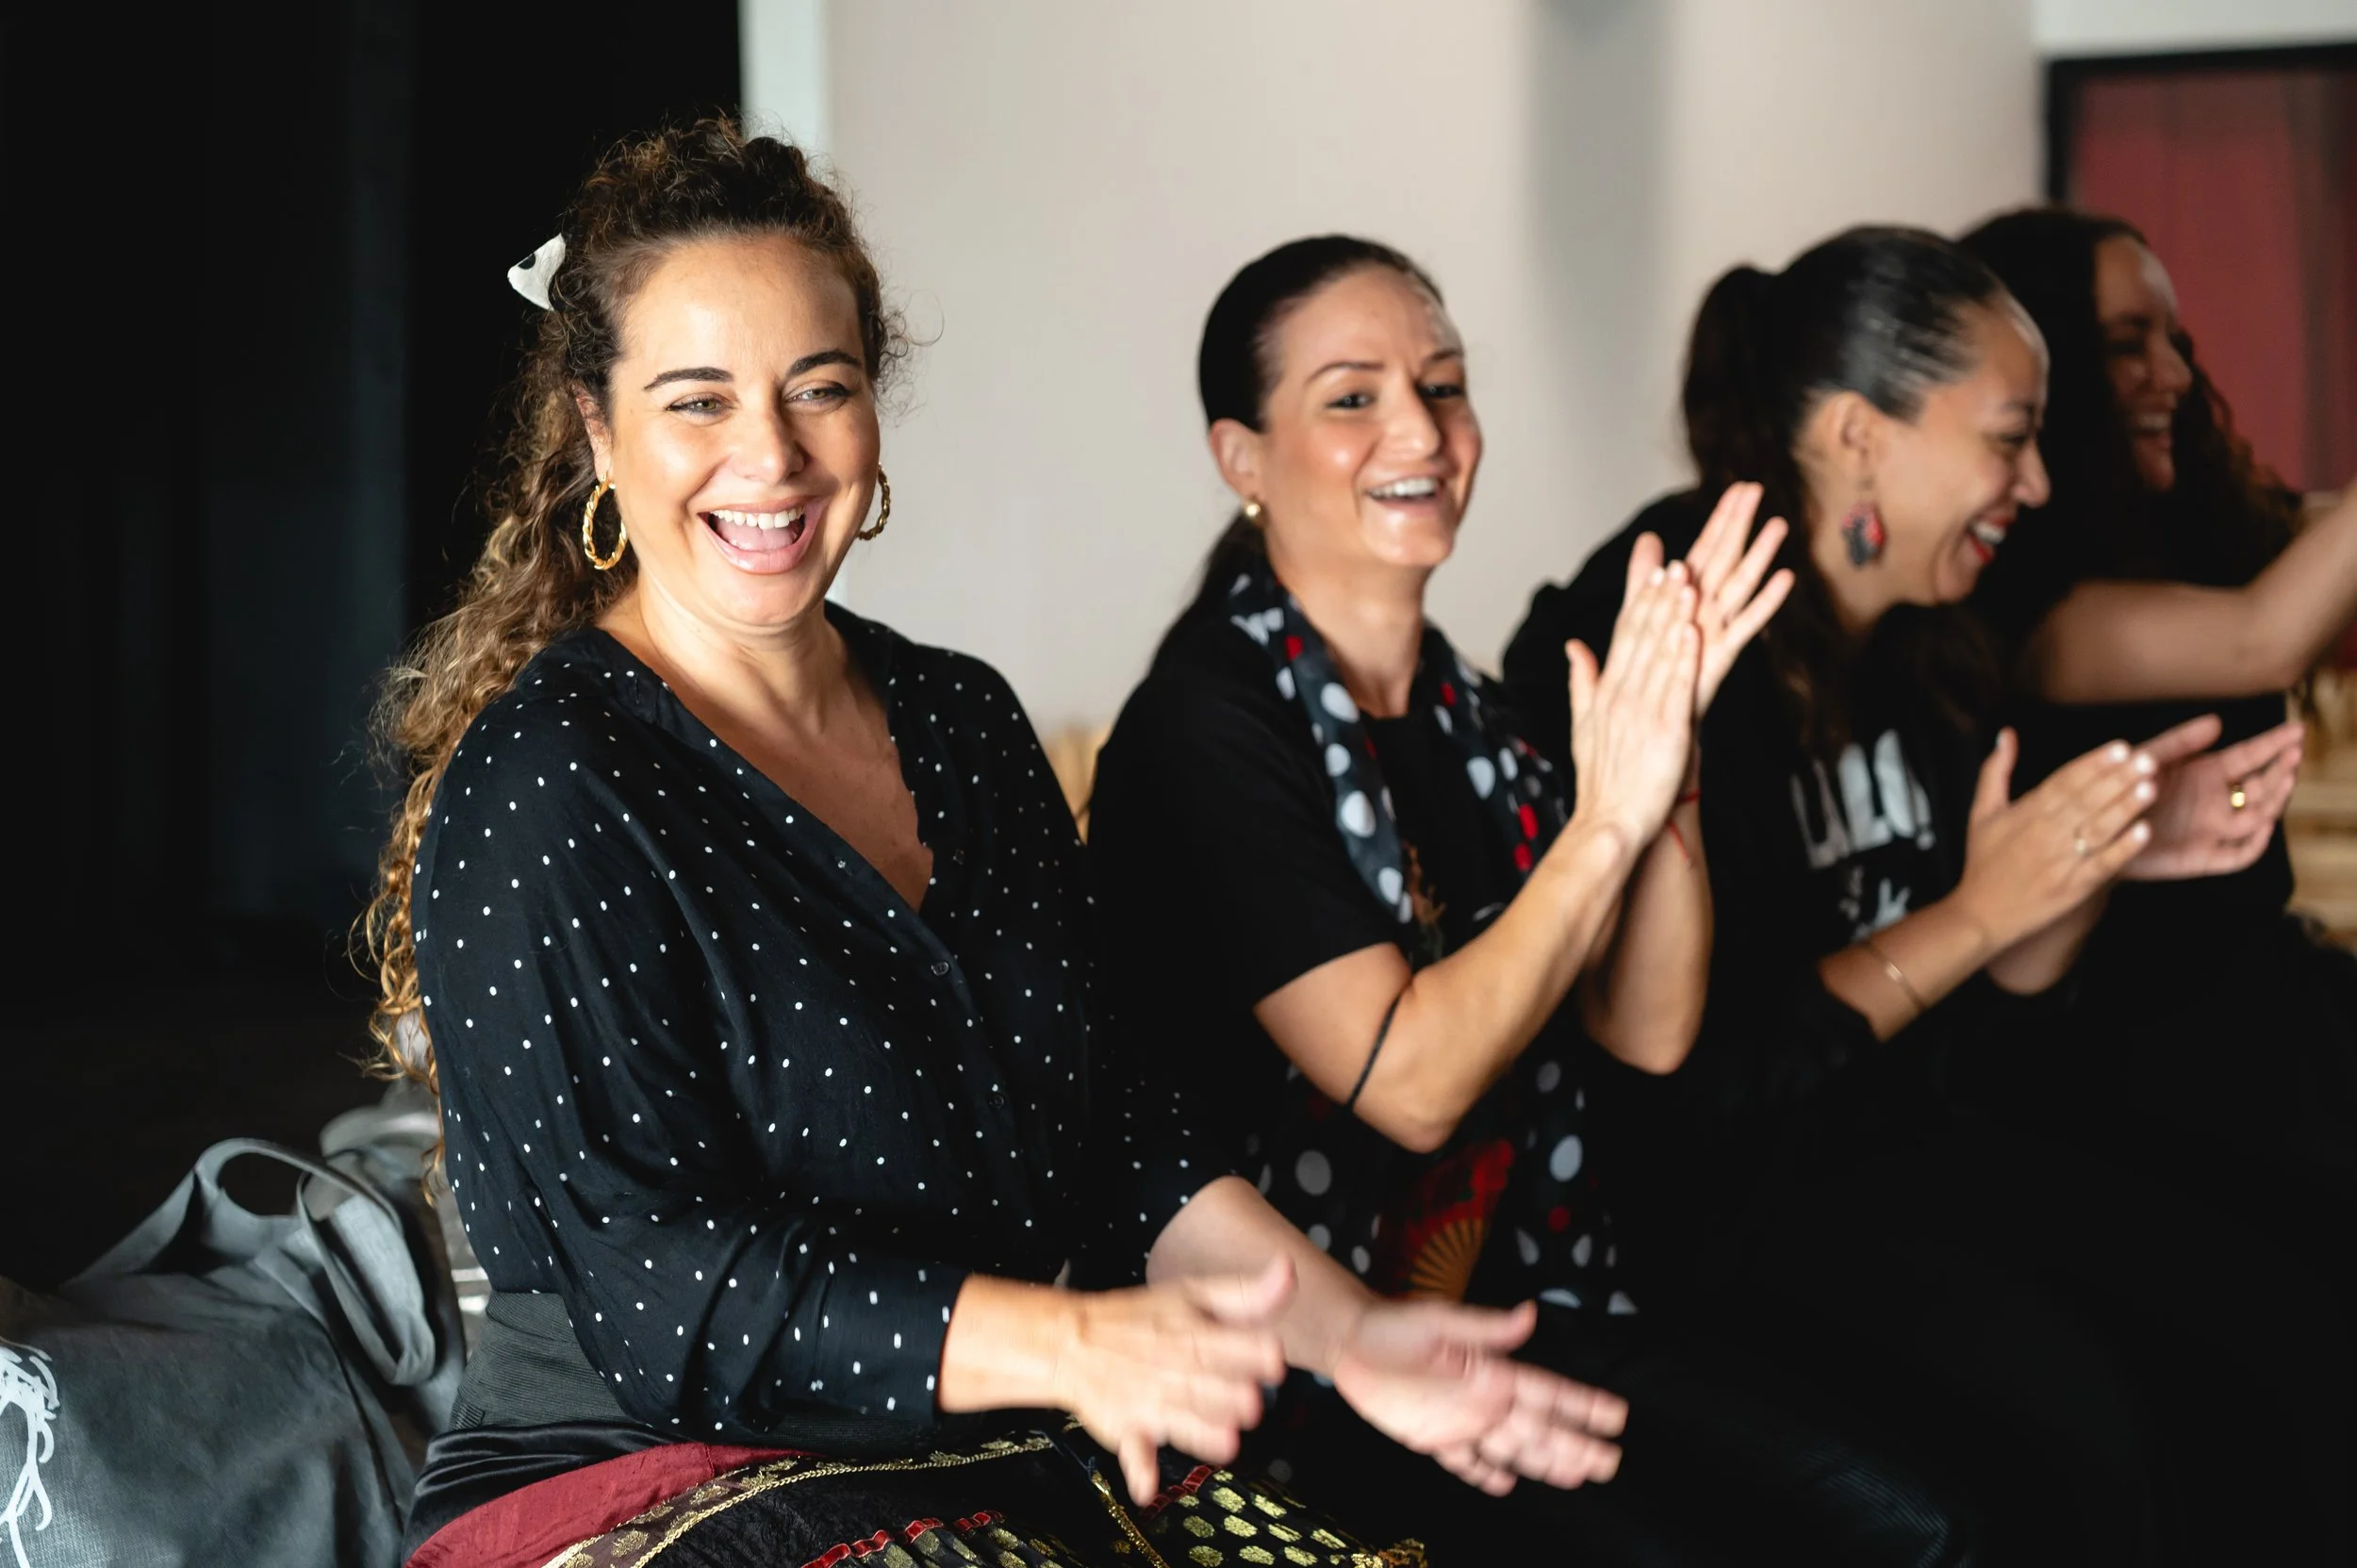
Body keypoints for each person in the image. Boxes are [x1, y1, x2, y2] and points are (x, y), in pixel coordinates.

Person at [361, 121, 1627, 1568]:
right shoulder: (550, 780)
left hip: (979, 1446)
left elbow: (1125, 1141)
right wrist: (1076, 1340)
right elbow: (667, 1294)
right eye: (696, 401)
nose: (769, 455)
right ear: (598, 427)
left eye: (818, 389)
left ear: (875, 412)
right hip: (648, 1482)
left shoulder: (958, 717)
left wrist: (1358, 1336)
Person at [1087, 235, 1974, 1566]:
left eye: (1444, 386)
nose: (1422, 430)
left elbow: (1645, 1027)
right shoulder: (1203, 729)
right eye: (1352, 395)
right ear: (1242, 457)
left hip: (1520, 1293)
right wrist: (1602, 820)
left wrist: (1659, 789)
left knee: (1920, 1519)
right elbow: (1412, 1078)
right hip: (1295, 1361)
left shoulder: (1473, 716)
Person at [1502, 226, 2352, 1564]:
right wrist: (1982, 910)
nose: (2037, 480)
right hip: (1718, 1216)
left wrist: (2096, 850)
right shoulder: (1672, 611)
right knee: (2104, 1419)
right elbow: (1689, 1083)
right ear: (1857, 434)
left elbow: (2002, 995)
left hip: (1912, 1146)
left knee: (2278, 1305)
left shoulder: (1935, 635)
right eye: (2010, 437)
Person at [1956, 207, 2357, 1304]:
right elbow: (2264, 634)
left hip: (2264, 1013)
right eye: (2128, 342)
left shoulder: (2190, 532)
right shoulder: (2037, 614)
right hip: (2145, 1079)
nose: (2171, 372)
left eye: (2174, 341)